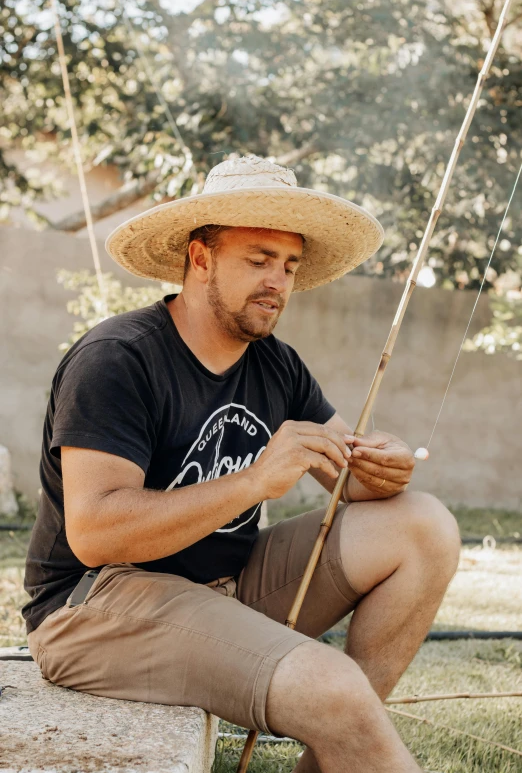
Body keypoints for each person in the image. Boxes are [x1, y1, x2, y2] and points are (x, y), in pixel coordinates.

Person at [23, 155, 460, 773]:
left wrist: (378, 467)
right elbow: (95, 535)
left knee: (424, 525)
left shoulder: (276, 363)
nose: (278, 282)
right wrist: (256, 479)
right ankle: (346, 720)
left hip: (224, 588)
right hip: (95, 603)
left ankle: (341, 749)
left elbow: (349, 480)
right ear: (200, 258)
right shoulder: (117, 359)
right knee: (330, 685)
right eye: (258, 260)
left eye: (288, 266)